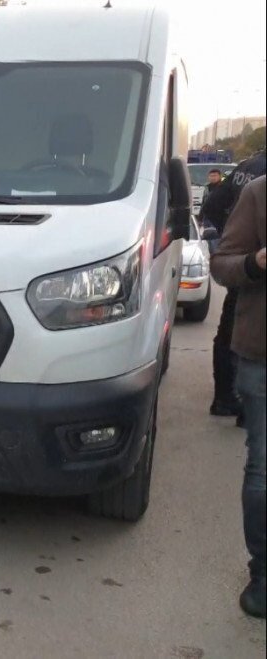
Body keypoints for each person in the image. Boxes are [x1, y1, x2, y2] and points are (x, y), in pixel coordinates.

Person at [210, 175, 266, 619]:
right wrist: (255, 262)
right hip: (262, 357)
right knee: (264, 468)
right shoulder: (258, 193)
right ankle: (263, 572)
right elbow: (222, 263)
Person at [201, 150, 266, 423]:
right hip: (252, 270)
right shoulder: (259, 181)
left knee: (229, 332)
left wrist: (229, 232)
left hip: (242, 263)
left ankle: (226, 397)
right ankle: (238, 401)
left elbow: (213, 205)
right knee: (242, 337)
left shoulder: (245, 166)